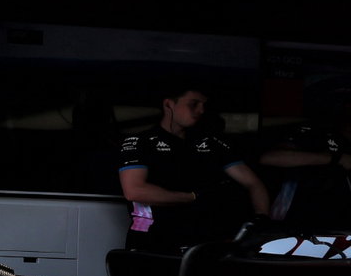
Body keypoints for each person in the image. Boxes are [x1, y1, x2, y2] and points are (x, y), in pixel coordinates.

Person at [118, 87, 270, 252]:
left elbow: (252, 182)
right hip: (152, 240)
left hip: (203, 241)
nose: (201, 110)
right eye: (193, 104)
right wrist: (193, 197)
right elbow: (134, 191)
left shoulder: (211, 143)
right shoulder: (140, 141)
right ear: (169, 104)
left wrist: (260, 221)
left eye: (204, 105)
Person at [258, 98, 351, 229]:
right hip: (300, 224)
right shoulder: (315, 133)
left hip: (343, 225)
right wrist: (337, 159)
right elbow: (271, 157)